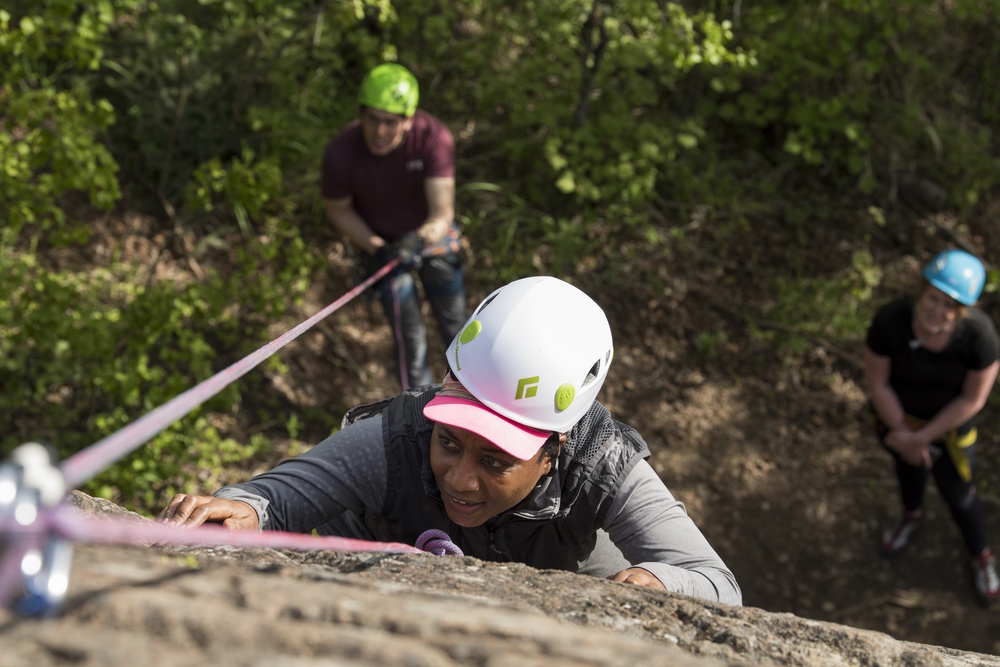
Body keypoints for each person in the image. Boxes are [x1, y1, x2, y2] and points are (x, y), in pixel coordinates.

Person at [158, 276, 743, 605]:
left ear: (553, 450)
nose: (462, 479)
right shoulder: (399, 436)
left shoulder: (599, 466)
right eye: (449, 442)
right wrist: (243, 510)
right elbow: (280, 496)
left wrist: (657, 581)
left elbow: (717, 584)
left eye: (495, 459)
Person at [864, 248, 999, 606]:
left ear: (962, 311)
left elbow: (972, 398)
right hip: (896, 419)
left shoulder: (979, 337)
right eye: (933, 298)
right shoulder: (890, 321)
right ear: (921, 292)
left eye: (949, 305)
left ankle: (981, 555)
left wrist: (920, 438)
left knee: (959, 493)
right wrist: (904, 434)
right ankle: (911, 515)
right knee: (907, 470)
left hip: (948, 429)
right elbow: (878, 382)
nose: (937, 311)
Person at [321, 62, 466, 390]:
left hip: (430, 235)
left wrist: (416, 241)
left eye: (390, 122)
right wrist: (377, 247)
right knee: (409, 335)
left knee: (456, 326)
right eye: (372, 119)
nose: (380, 132)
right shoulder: (341, 153)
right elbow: (339, 209)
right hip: (381, 243)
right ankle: (420, 411)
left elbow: (442, 213)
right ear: (360, 114)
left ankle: (472, 400)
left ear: (408, 120)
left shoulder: (433, 139)